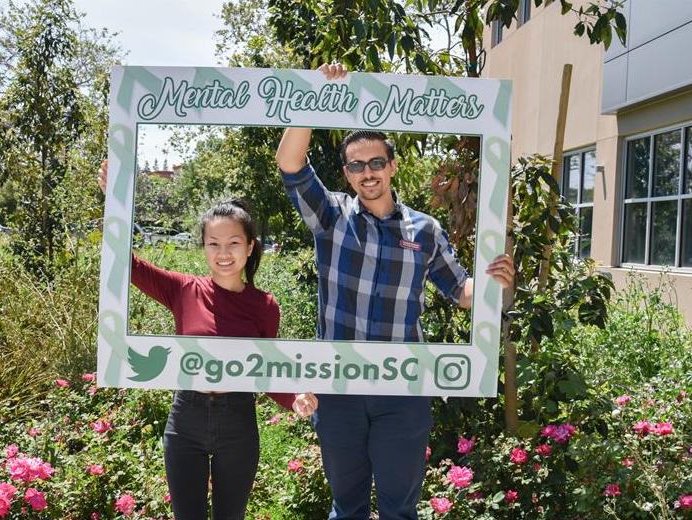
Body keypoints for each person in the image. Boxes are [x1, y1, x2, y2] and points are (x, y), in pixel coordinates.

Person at [275, 64, 515, 520]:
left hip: (402, 389)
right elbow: (290, 164)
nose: (368, 173)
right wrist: (311, 92)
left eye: (377, 163)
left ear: (393, 166)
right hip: (339, 387)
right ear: (346, 173)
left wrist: (496, 282)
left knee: (400, 509)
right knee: (346, 509)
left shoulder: (424, 229)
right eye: (357, 165)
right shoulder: (330, 217)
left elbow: (461, 292)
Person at [97, 162, 317, 520]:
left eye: (233, 243)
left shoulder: (265, 307)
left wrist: (296, 398)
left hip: (238, 423)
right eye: (213, 243)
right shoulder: (183, 290)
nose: (223, 252)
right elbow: (125, 264)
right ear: (203, 247)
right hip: (186, 420)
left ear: (249, 248)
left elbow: (266, 372)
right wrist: (114, 204)